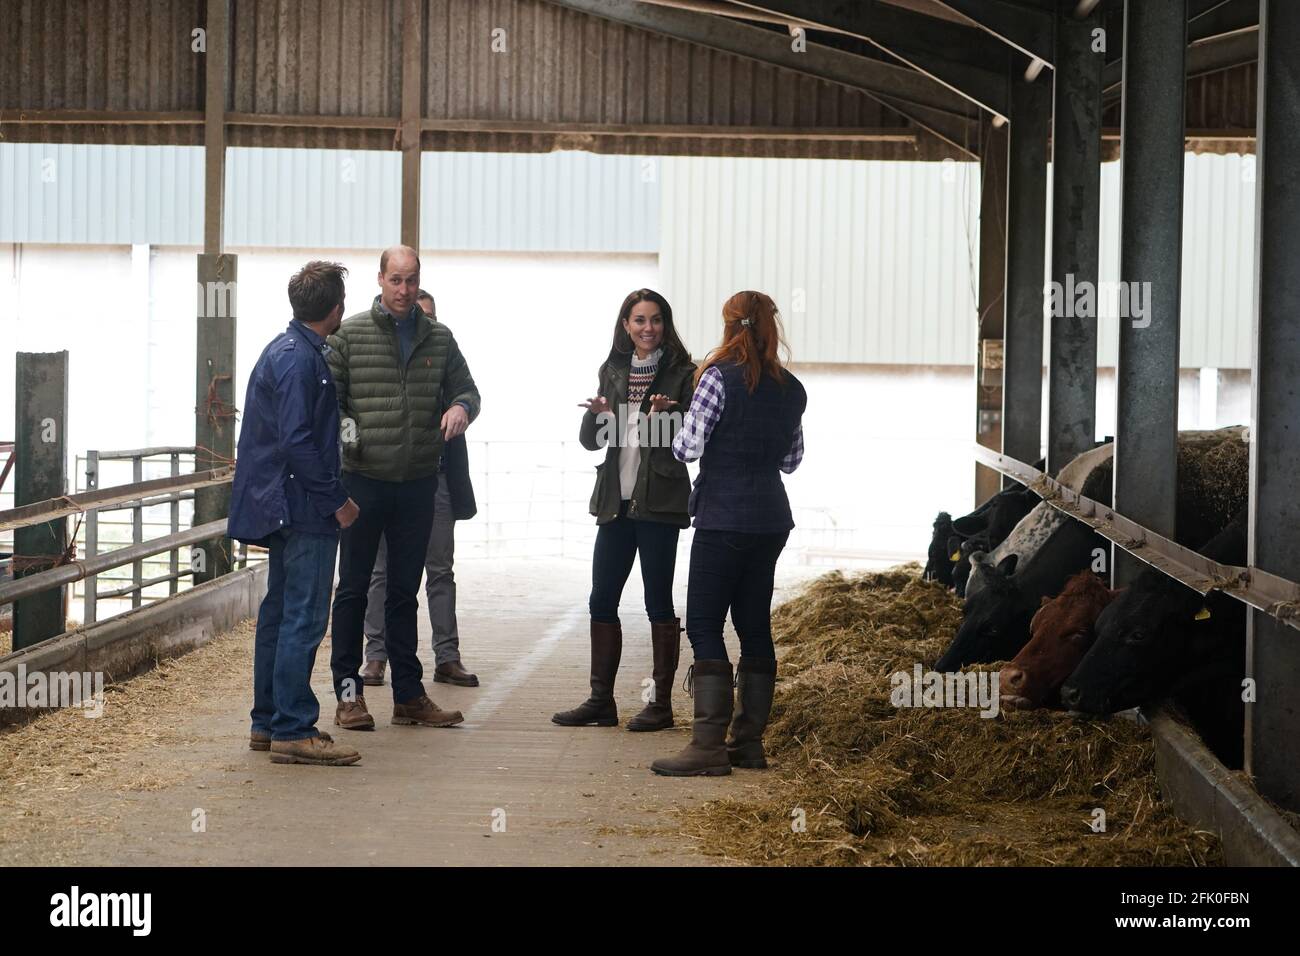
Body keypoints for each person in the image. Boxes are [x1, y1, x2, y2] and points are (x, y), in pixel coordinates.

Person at [651, 291, 807, 776]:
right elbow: (791, 461)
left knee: (702, 623)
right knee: (754, 624)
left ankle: (706, 748)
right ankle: (748, 744)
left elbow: (687, 448)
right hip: (771, 521)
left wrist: (666, 422)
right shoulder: (793, 388)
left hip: (723, 518)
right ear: (770, 327)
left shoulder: (717, 378)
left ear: (729, 325)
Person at [327, 246, 481, 731]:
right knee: (352, 590)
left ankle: (409, 697)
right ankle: (349, 697)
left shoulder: (439, 337)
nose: (404, 290)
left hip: (417, 484)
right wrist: (354, 440)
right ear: (380, 279)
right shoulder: (348, 335)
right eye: (396, 280)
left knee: (402, 593)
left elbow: (468, 391)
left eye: (412, 280)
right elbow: (330, 405)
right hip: (363, 484)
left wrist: (460, 407)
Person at [229, 260, 362, 767]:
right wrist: (338, 501)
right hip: (303, 509)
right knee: (304, 616)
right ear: (336, 309)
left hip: (278, 505)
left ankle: (267, 722)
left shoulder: (282, 352)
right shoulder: (302, 362)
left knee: (279, 613)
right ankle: (293, 727)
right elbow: (298, 442)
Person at [552, 289, 696, 731]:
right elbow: (592, 442)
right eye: (639, 320)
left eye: (655, 320)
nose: (647, 328)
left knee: (658, 602)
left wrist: (662, 418)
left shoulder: (684, 374)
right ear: (625, 325)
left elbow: (687, 446)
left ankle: (660, 704)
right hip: (615, 504)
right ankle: (601, 701)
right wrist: (597, 414)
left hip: (659, 504)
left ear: (665, 325)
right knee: (601, 599)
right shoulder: (612, 370)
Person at [360, 289, 480, 689]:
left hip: (436, 477)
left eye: (426, 314)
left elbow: (469, 391)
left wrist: (461, 406)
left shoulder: (442, 347)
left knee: (439, 570)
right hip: (384, 477)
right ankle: (375, 656)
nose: (420, 320)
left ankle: (447, 656)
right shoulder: (376, 352)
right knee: (381, 569)